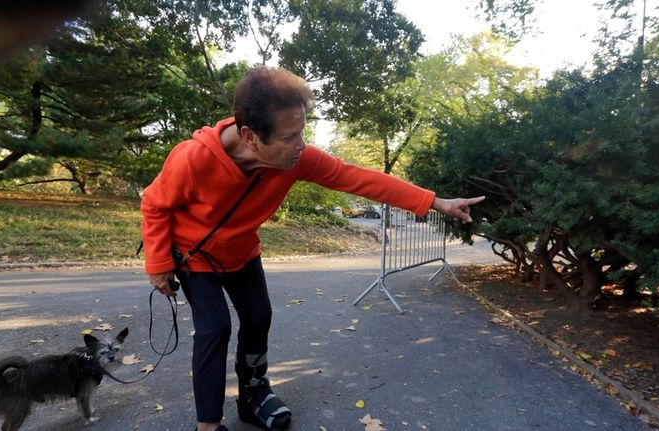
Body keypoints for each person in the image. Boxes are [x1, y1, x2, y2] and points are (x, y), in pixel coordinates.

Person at [140, 65, 485, 431]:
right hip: (197, 256)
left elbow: (359, 178)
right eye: (290, 136)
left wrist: (436, 203)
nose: (301, 145)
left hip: (242, 253)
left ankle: (254, 394)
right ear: (250, 135)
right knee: (215, 328)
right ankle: (208, 424)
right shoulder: (193, 159)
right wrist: (159, 263)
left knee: (259, 317)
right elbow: (155, 204)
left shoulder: (296, 161)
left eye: (302, 132)